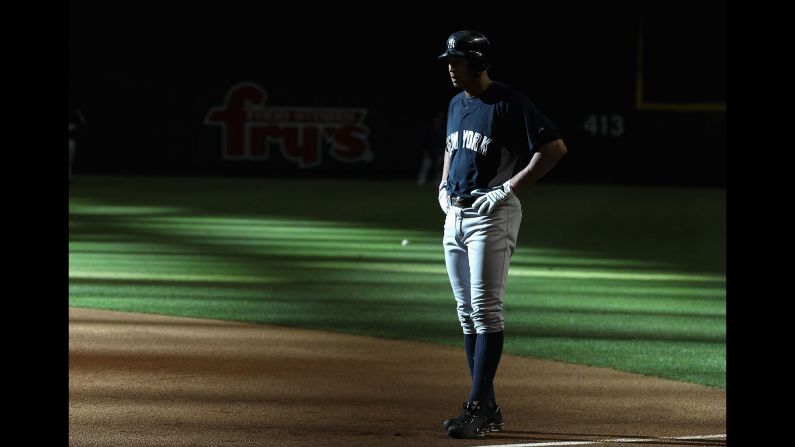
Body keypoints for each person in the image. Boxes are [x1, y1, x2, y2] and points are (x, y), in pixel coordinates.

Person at [436, 30, 568, 439]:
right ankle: (486, 406)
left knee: (485, 310)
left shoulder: (510, 102)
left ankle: (477, 406)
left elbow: (554, 149)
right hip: (455, 216)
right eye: (449, 61)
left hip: (492, 216)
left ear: (477, 63)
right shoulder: (457, 103)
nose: (450, 68)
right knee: (465, 313)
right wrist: (442, 186)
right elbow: (450, 149)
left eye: (457, 61)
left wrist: (507, 188)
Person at [416, 111, 446, 186]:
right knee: (425, 168)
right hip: (429, 152)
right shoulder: (430, 129)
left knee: (439, 169)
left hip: (439, 152)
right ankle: (420, 182)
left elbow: (444, 141)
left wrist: (443, 151)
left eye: (440, 119)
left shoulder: (442, 129)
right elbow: (425, 140)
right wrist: (425, 151)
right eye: (437, 118)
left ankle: (437, 183)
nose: (438, 120)